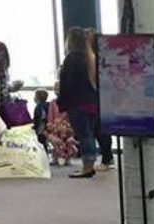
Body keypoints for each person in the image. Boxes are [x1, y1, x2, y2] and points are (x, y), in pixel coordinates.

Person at [58, 27, 99, 178]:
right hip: (91, 102)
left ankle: (87, 167)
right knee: (89, 134)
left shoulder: (71, 58)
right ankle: (90, 164)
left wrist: (62, 103)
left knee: (84, 135)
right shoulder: (89, 57)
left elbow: (67, 84)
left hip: (77, 103)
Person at [87, 29, 114, 172]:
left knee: (100, 128)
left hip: (101, 96)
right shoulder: (100, 56)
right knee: (101, 128)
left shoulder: (95, 57)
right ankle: (107, 156)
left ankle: (107, 157)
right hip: (103, 95)